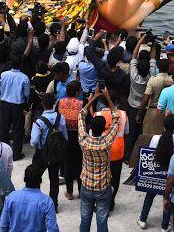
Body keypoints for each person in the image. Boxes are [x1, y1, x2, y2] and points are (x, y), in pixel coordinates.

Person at [78, 89, 120, 232]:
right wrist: (108, 98)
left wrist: (94, 97)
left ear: (90, 128)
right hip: (103, 186)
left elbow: (81, 114)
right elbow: (116, 119)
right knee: (102, 220)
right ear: (103, 129)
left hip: (86, 185)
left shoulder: (84, 140)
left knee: (85, 218)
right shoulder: (107, 141)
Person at [138, 114, 174, 231]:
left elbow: (150, 154)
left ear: (163, 125)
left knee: (149, 194)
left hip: (155, 175)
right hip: (170, 176)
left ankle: (142, 219)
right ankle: (164, 226)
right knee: (169, 197)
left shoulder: (155, 138)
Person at [30, 93, 68, 211]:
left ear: (42, 104)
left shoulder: (38, 121)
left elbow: (34, 141)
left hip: (41, 153)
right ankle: (54, 205)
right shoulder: (60, 117)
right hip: (55, 153)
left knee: (35, 177)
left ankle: (35, 203)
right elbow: (65, 136)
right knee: (54, 179)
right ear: (54, 103)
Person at [0, 164, 59, 232]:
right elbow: (53, 229)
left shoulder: (11, 198)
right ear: (40, 181)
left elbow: (3, 225)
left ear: (24, 179)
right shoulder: (46, 201)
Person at [94, 92, 128, 212]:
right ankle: (111, 202)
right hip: (118, 152)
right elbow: (126, 132)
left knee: (102, 179)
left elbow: (93, 133)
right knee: (115, 179)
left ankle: (101, 202)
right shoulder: (123, 114)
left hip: (103, 152)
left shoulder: (97, 114)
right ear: (117, 102)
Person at [127, 35, 157, 161]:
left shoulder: (134, 75)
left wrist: (140, 40)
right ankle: (141, 155)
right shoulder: (151, 75)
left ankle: (128, 156)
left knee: (131, 133)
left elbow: (134, 56)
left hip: (133, 106)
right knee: (142, 132)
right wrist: (153, 43)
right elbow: (153, 58)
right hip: (145, 108)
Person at [0, 54, 30, 161]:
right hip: (17, 105)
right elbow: (26, 94)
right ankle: (16, 154)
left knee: (4, 128)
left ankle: (3, 152)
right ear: (21, 65)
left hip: (5, 104)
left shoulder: (3, 75)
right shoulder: (24, 78)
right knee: (17, 129)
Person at [57, 80, 83, 200]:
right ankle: (81, 191)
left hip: (64, 137)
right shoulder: (82, 103)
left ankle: (69, 193)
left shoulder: (60, 102)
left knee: (67, 165)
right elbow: (86, 121)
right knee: (79, 164)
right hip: (78, 137)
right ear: (77, 92)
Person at [139, 58, 173, 135]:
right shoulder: (173, 80)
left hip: (153, 112)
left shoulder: (153, 80)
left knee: (147, 137)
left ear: (158, 67)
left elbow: (145, 99)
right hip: (168, 113)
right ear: (168, 68)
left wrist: (139, 114)